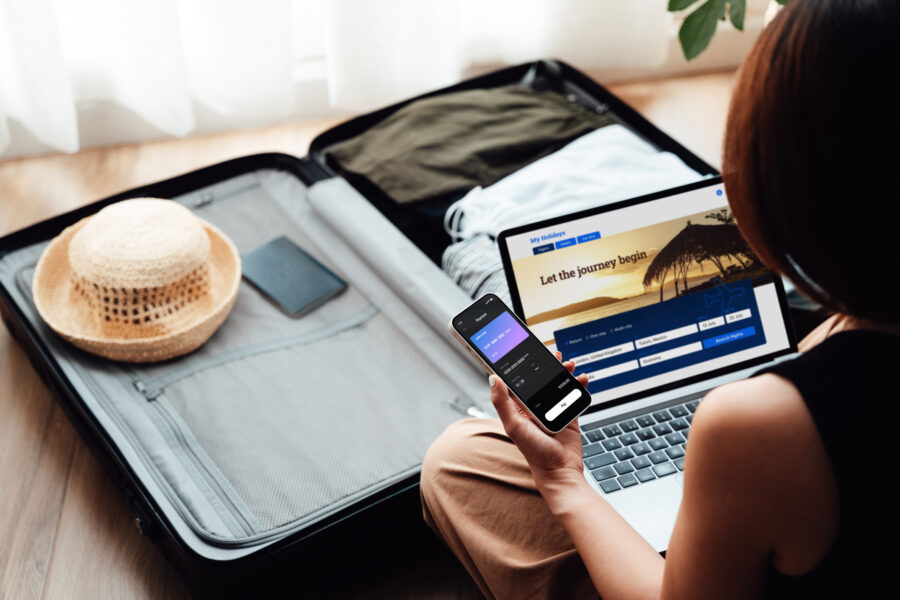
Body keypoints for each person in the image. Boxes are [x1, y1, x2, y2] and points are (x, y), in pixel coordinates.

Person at [419, 1, 900, 598]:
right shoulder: (851, 327)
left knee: (456, 462)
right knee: (472, 452)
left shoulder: (756, 426)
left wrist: (564, 479)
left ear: (784, 181)